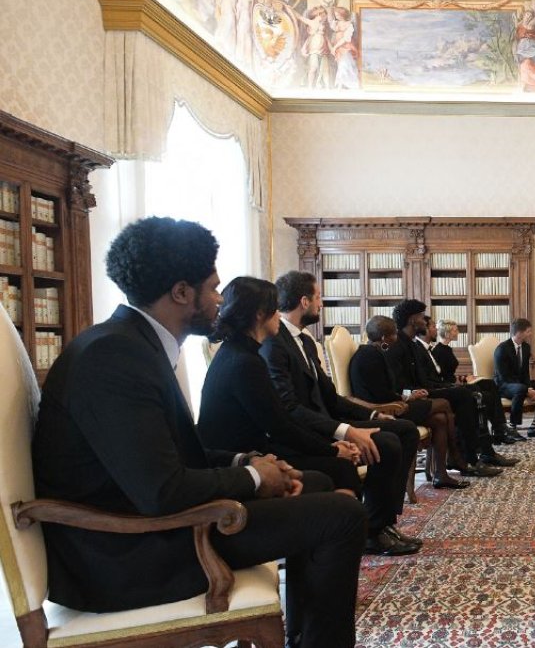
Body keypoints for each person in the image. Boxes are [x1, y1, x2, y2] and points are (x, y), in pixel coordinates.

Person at [32, 217, 365, 648]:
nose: (220, 300)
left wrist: (247, 462)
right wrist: (254, 478)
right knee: (342, 516)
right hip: (125, 555)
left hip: (150, 529)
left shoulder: (131, 344)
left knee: (315, 483)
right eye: (213, 288)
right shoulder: (113, 357)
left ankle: (304, 637)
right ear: (181, 293)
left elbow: (172, 453)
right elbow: (161, 491)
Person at [260, 270, 423, 556]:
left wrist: (373, 416)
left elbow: (331, 397)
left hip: (328, 420)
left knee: (405, 430)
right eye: (318, 297)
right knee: (387, 443)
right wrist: (345, 432)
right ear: (304, 302)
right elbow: (289, 407)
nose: (321, 304)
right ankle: (374, 530)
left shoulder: (306, 341)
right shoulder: (275, 343)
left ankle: (383, 520)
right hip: (309, 430)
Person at [197, 276, 363, 498]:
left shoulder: (237, 351)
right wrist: (333, 450)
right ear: (259, 314)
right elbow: (281, 426)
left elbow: (279, 422)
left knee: (338, 466)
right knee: (340, 469)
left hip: (253, 451)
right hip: (240, 463)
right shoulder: (246, 362)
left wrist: (332, 447)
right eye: (275, 309)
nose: (279, 315)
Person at [390, 300, 515, 471]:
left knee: (472, 391)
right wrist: (414, 393)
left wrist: (450, 386)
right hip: (414, 396)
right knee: (465, 395)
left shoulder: (411, 344)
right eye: (421, 317)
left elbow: (426, 379)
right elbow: (400, 384)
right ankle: (469, 458)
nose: (424, 321)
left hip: (426, 389)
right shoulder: (398, 345)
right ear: (412, 320)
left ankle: (482, 452)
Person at [349, 315, 470, 489]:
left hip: (393, 402)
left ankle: (441, 474)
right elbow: (380, 395)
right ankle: (455, 456)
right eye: (394, 334)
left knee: (440, 419)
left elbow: (387, 389)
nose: (396, 338)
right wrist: (406, 398)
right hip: (384, 410)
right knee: (443, 403)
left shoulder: (375, 352)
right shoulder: (369, 356)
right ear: (384, 337)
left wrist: (408, 395)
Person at [420, 315, 521, 449]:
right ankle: (497, 430)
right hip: (449, 386)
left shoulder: (447, 349)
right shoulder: (438, 350)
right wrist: (460, 381)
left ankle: (499, 428)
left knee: (489, 384)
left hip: (454, 382)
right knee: (485, 394)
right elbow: (441, 377)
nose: (458, 332)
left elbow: (447, 373)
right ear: (448, 332)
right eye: (455, 330)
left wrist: (463, 377)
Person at [495, 318, 535, 438]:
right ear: (519, 333)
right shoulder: (502, 349)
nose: (531, 334)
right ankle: (512, 428)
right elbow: (504, 376)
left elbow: (525, 372)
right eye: (528, 331)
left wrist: (529, 387)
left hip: (521, 384)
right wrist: (526, 390)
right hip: (504, 385)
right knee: (520, 389)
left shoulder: (526, 347)